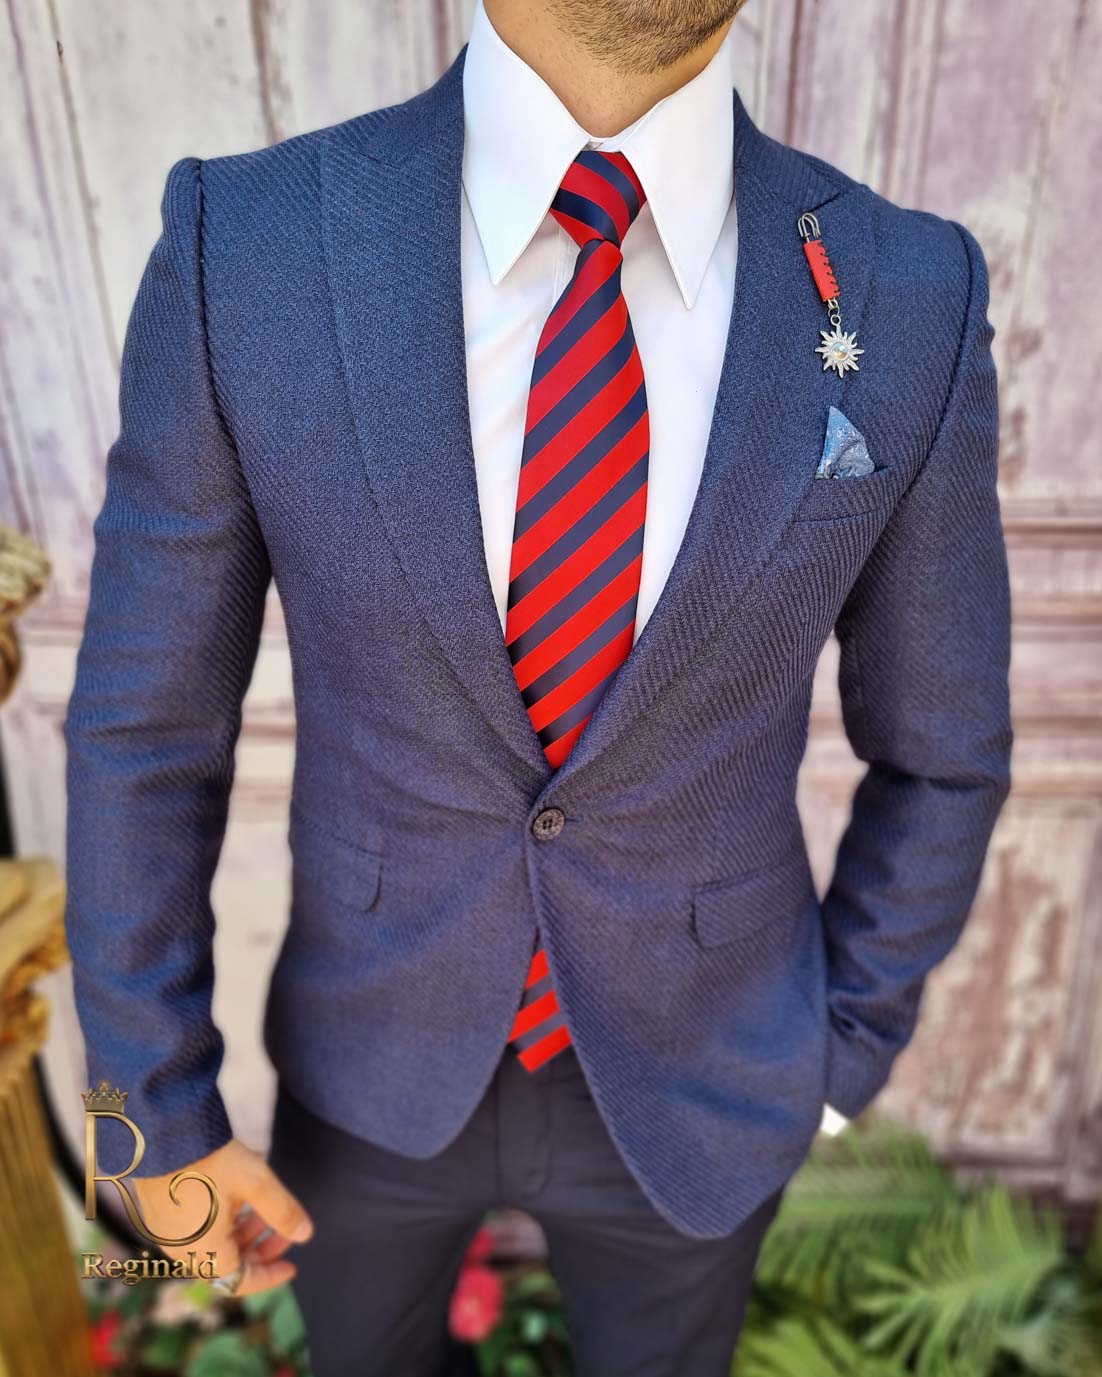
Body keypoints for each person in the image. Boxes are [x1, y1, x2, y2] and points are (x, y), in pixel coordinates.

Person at [63, 0, 1013, 1372]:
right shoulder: (249, 244)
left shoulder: (908, 290)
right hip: (367, 1056)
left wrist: (839, 1056)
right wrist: (150, 1117)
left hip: (710, 1072)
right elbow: (144, 728)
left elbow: (944, 750)